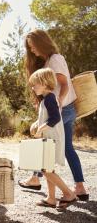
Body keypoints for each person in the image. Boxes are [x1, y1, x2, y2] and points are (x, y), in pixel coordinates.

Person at [19, 29, 89, 201]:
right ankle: (79, 187)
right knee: (65, 148)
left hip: (62, 109)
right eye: (30, 48)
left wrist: (57, 102)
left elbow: (64, 84)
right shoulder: (49, 60)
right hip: (66, 108)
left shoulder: (55, 59)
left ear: (42, 42)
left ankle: (38, 178)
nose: (33, 50)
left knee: (44, 145)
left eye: (33, 46)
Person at [28, 68, 77, 210]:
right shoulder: (46, 99)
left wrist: (40, 130)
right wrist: (36, 124)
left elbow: (55, 118)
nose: (33, 87)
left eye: (35, 84)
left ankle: (68, 194)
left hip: (52, 138)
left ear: (44, 83)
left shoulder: (49, 98)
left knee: (46, 170)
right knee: (48, 168)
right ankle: (51, 198)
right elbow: (47, 117)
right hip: (49, 138)